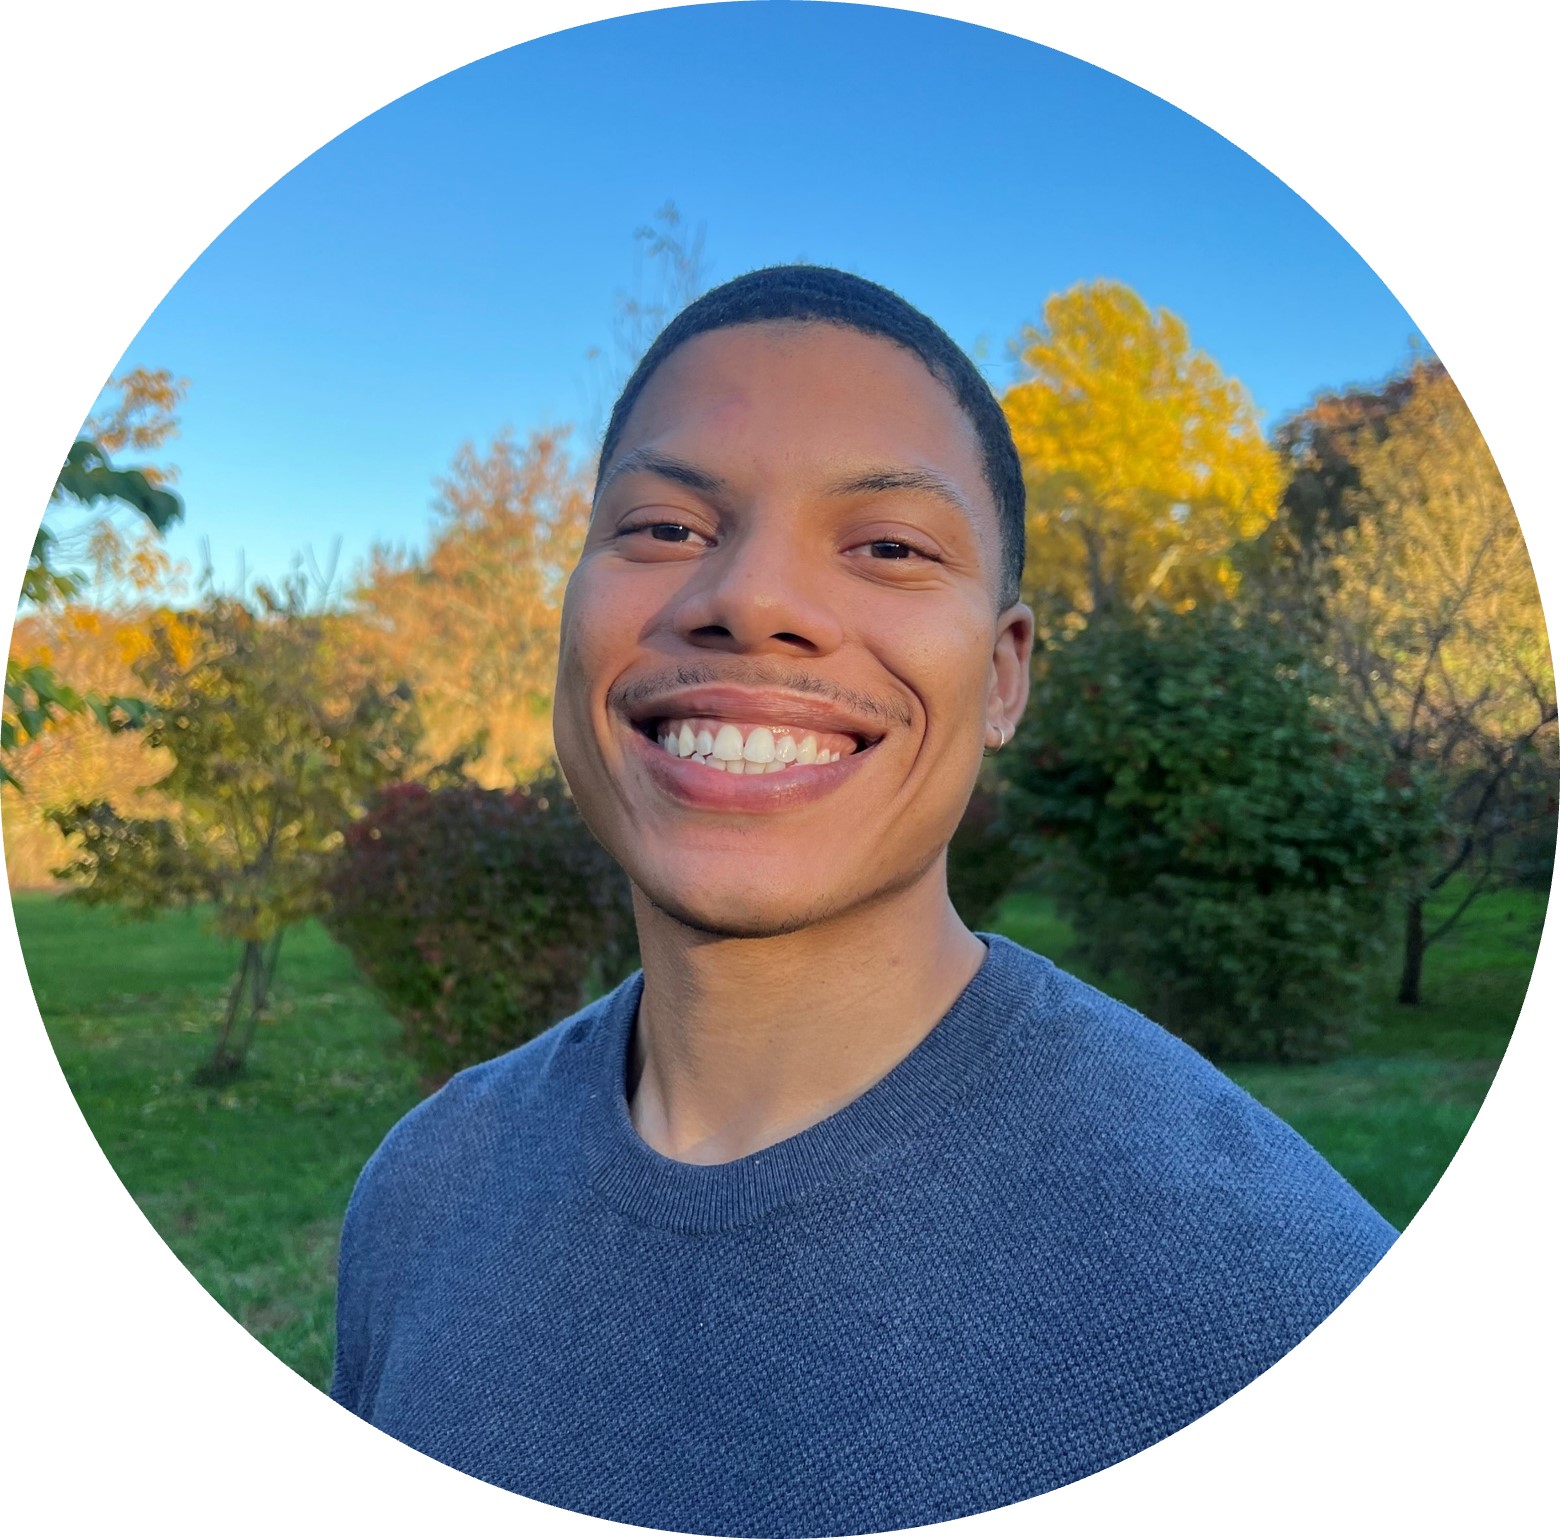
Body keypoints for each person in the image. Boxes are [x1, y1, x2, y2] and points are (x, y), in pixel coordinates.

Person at [330, 265, 1395, 1536]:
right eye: (665, 528)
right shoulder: (422, 1197)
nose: (750, 601)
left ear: (1002, 678)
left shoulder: (1282, 1311)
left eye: (889, 547)